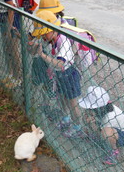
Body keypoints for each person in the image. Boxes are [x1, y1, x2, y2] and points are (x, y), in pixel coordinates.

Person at [31, 10, 84, 138]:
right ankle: (66, 119)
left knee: (72, 102)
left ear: (52, 29)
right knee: (61, 98)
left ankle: (78, 126)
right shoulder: (51, 40)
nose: (43, 37)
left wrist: (42, 55)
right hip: (59, 75)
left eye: (44, 34)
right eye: (41, 35)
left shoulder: (63, 41)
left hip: (69, 73)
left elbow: (60, 64)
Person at [79, 86, 124, 165]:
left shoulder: (109, 116)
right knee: (87, 118)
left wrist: (92, 124)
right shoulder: (103, 109)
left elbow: (103, 130)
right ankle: (97, 137)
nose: (89, 109)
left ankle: (115, 151)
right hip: (108, 127)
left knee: (105, 132)